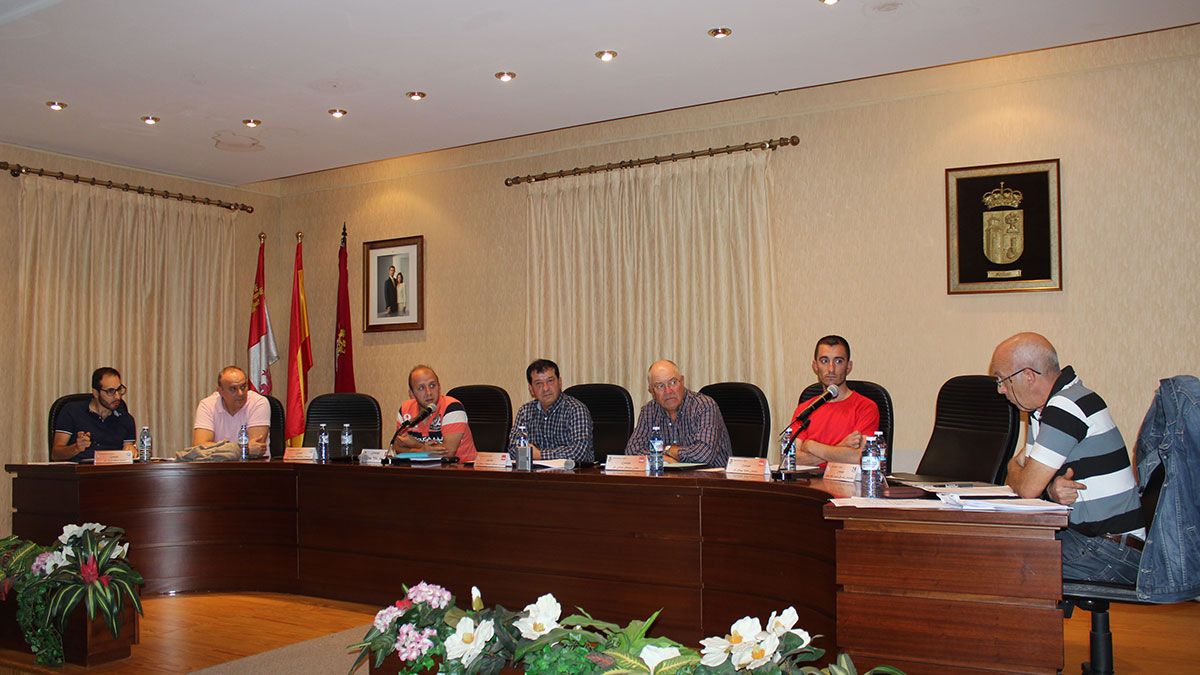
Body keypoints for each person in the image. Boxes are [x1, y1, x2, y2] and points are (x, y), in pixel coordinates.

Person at [991, 332, 1144, 583]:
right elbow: (1021, 483)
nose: (1001, 390)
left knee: (1000, 565)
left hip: (1113, 552)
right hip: (1092, 542)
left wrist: (1014, 467)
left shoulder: (1066, 406)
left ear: (1028, 376)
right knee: (996, 549)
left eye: (1002, 380)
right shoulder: (1043, 411)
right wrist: (1049, 488)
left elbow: (1026, 485)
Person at [785, 335, 879, 467]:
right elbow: (791, 459)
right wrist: (841, 446)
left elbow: (860, 457)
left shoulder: (866, 407)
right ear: (815, 366)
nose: (831, 369)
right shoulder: (805, 409)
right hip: (809, 484)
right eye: (824, 361)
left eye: (838, 361)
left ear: (849, 367)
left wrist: (811, 445)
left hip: (848, 485)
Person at [624, 359, 730, 468]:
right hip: (668, 481)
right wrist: (665, 458)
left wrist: (667, 450)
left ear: (682, 381)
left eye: (673, 382)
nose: (668, 391)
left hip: (710, 480)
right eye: (660, 386)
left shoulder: (704, 406)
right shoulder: (649, 411)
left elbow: (704, 454)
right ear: (651, 391)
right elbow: (632, 452)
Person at [506, 359, 594, 464]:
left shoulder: (575, 409)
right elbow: (512, 450)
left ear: (560, 382)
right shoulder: (525, 411)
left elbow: (580, 452)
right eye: (538, 383)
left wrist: (539, 454)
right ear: (531, 389)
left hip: (573, 475)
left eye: (550, 381)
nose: (545, 388)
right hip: (535, 475)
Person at [392, 365, 477, 461]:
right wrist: (422, 450)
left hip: (460, 470)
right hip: (421, 469)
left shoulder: (452, 408)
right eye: (421, 388)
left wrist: (416, 445)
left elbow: (448, 453)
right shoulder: (405, 409)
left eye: (432, 385)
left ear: (439, 387)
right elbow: (397, 448)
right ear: (411, 394)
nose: (428, 393)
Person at [52, 367, 137, 462]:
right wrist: (76, 447)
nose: (117, 396)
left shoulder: (126, 419)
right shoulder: (72, 411)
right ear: (96, 393)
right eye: (110, 391)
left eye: (119, 390)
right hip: (80, 473)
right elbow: (56, 454)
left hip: (113, 473)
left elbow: (128, 454)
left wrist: (130, 451)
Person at [193, 366, 271, 453]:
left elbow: (257, 448)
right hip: (218, 465)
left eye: (243, 387)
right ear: (220, 391)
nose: (240, 393)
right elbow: (200, 447)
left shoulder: (258, 403)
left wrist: (218, 449)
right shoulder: (207, 405)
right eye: (233, 389)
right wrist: (243, 448)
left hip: (252, 465)